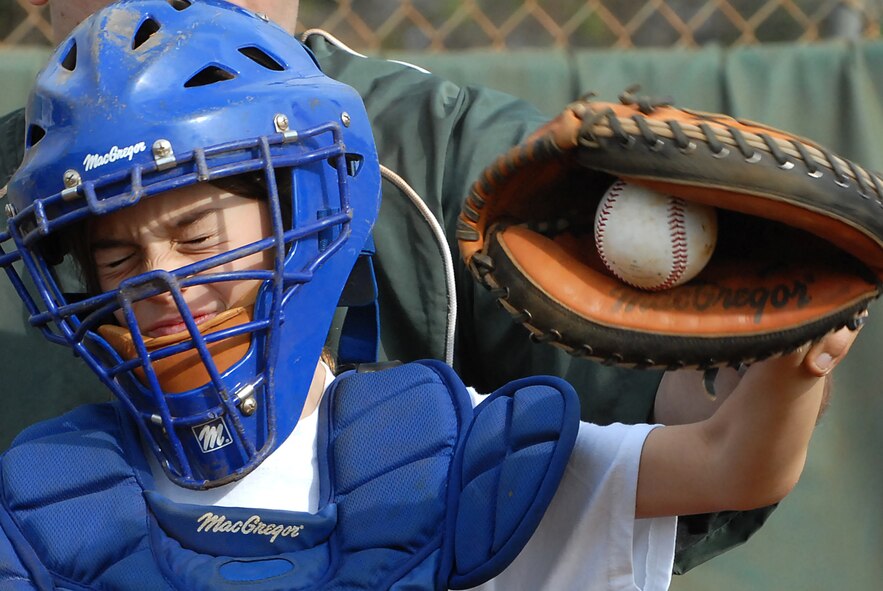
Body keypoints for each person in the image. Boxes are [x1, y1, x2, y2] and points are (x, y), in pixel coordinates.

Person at [0, 2, 862, 589]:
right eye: (115, 256)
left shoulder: (413, 439)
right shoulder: (53, 487)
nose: (163, 283)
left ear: (311, 217)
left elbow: (726, 462)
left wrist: (795, 357)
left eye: (196, 239)